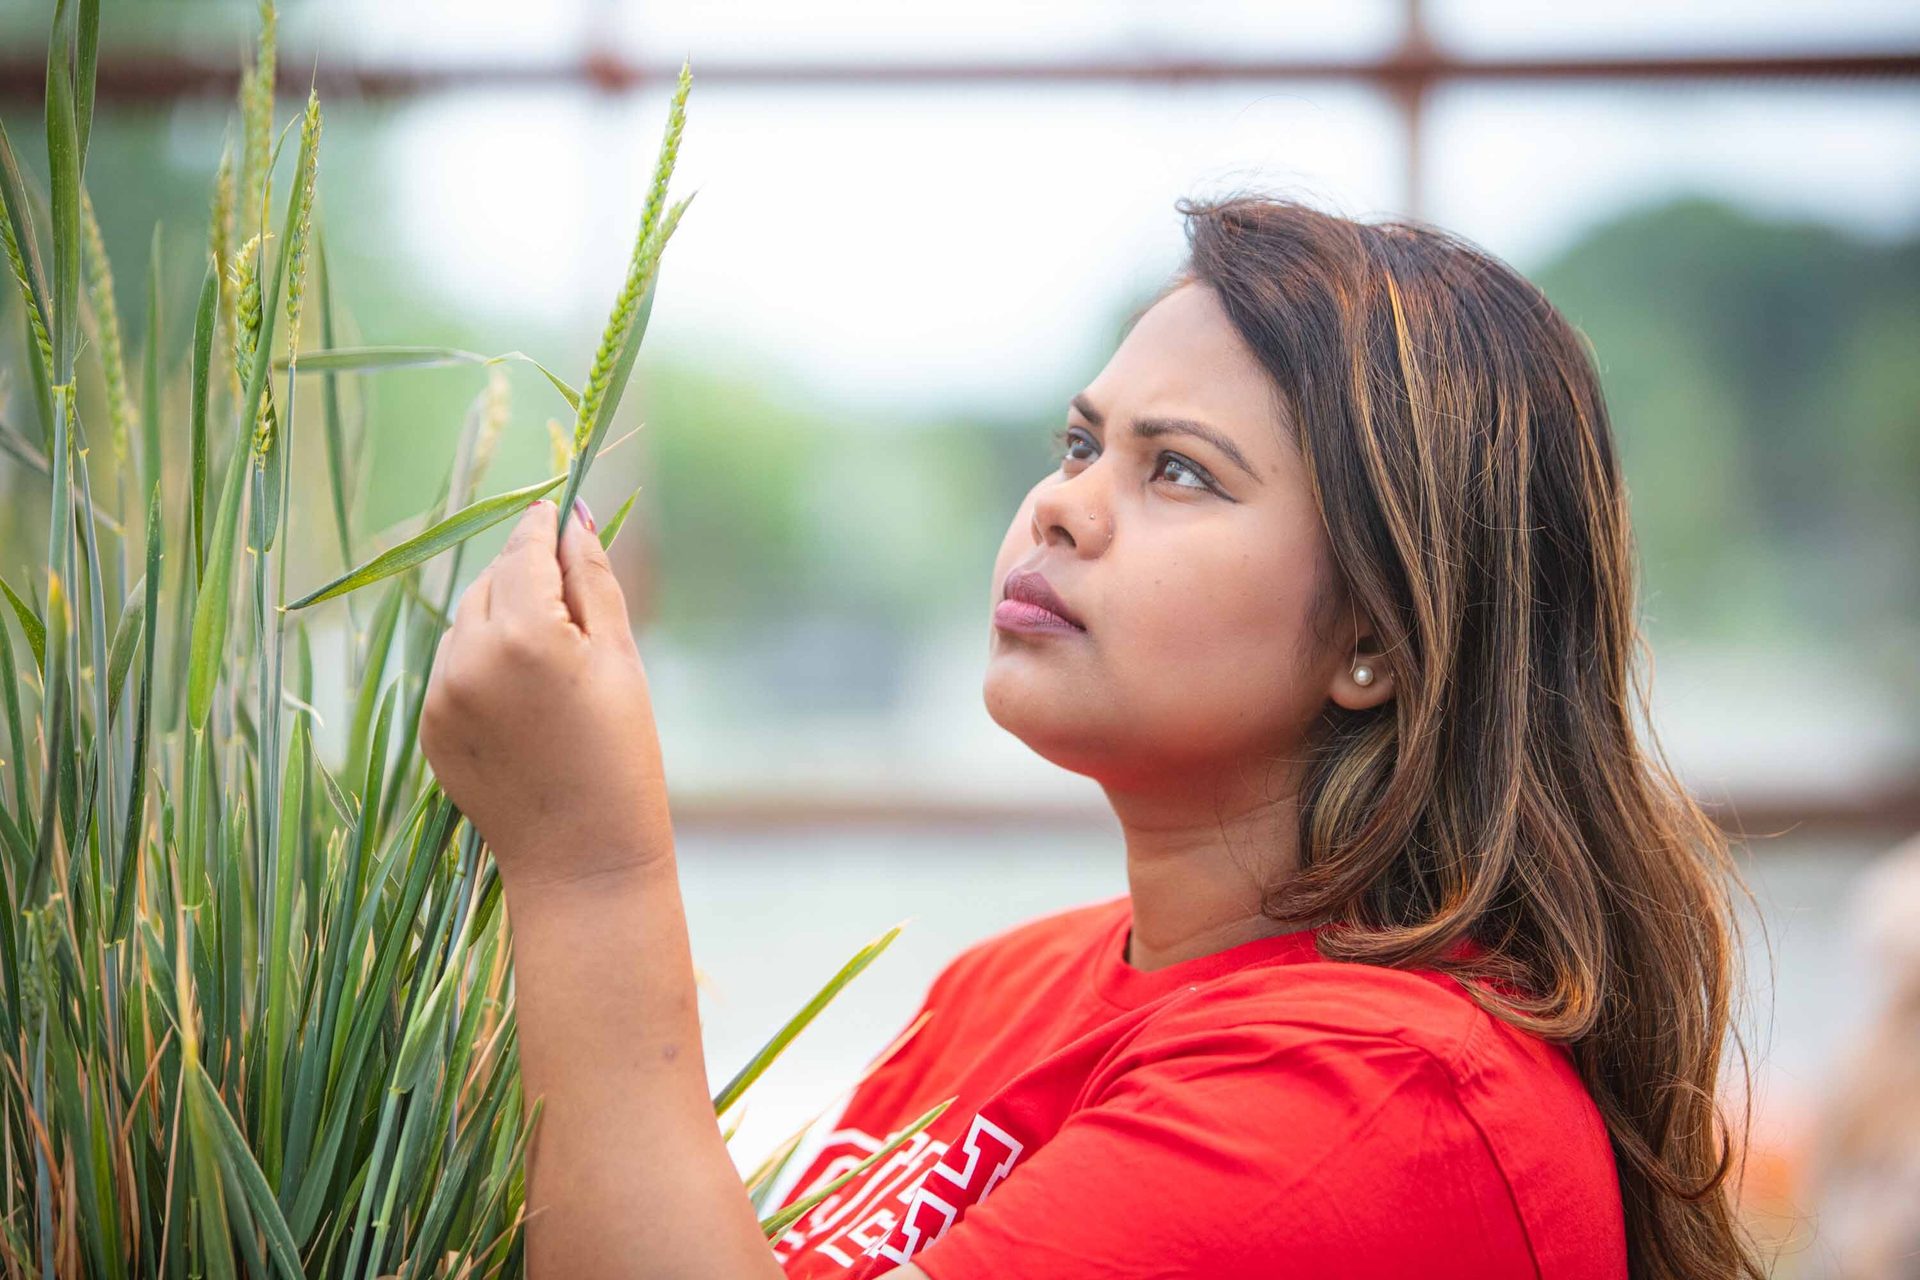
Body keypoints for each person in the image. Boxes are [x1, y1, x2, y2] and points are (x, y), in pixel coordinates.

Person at [417, 192, 1763, 1279]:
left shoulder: (1384, 1104)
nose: (1061, 508)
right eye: (1078, 443)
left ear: (1382, 640)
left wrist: (588, 869)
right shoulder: (1009, 990)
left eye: (1177, 470)